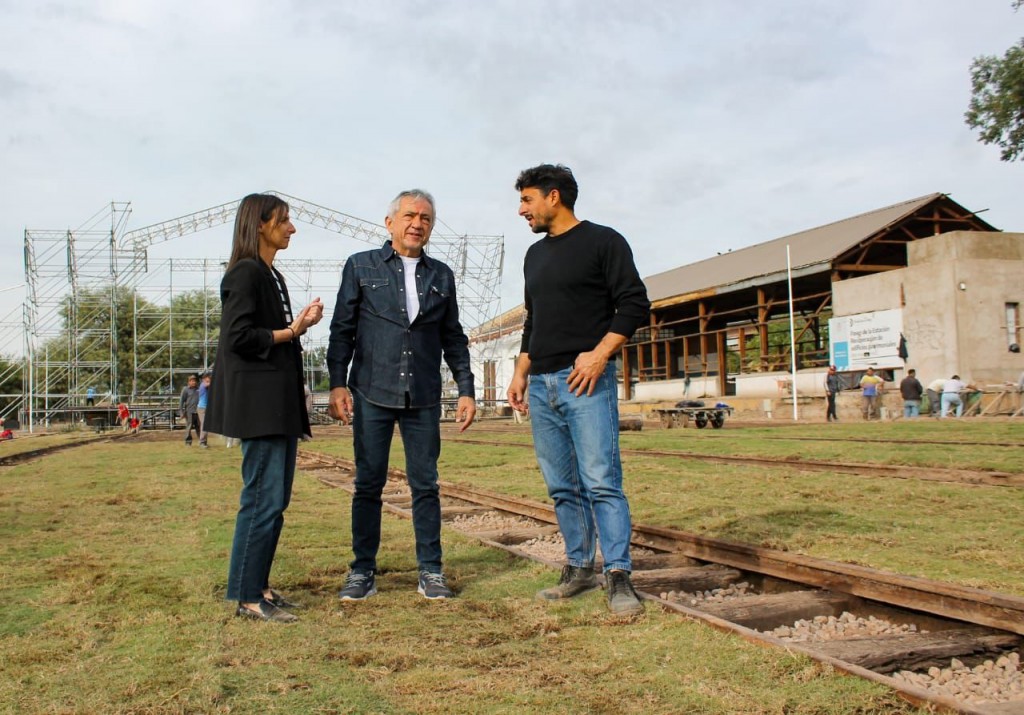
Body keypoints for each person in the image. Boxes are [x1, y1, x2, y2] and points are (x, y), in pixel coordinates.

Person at [506, 164, 650, 617]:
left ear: (553, 197)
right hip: (542, 383)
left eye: (527, 200)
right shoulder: (534, 256)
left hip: (584, 378)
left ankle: (619, 575)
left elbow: (634, 303)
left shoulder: (604, 241)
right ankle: (579, 567)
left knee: (602, 481)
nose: (521, 209)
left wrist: (600, 354)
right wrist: (520, 372)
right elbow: (535, 320)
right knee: (562, 486)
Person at [327, 189, 476, 602]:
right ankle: (362, 570)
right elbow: (342, 329)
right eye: (410, 215)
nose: (417, 223)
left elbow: (453, 336)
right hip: (372, 390)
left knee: (425, 484)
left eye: (426, 218)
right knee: (368, 483)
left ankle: (431, 569)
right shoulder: (361, 266)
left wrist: (466, 388)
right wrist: (336, 382)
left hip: (424, 395)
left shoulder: (441, 275)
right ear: (390, 222)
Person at [204, 193, 324, 623]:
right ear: (261, 224)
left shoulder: (271, 275)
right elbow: (238, 338)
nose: (291, 228)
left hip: (278, 405)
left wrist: (298, 327)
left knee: (275, 499)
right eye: (285, 220)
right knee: (261, 498)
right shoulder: (244, 273)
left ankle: (258, 587)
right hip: (259, 407)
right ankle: (249, 597)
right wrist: (291, 330)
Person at [178, 374, 201, 445]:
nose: (194, 382)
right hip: (189, 412)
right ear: (189, 382)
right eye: (192, 381)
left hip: (198, 411)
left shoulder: (199, 389)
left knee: (199, 427)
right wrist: (181, 413)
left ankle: (202, 441)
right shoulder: (185, 389)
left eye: (195, 381)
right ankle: (188, 442)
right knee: (189, 427)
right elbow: (181, 402)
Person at [196, 372, 211, 448]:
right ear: (204, 379)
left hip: (206, 408)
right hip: (201, 408)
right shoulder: (203, 385)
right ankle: (202, 442)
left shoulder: (207, 385)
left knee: (206, 425)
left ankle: (204, 442)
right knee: (204, 425)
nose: (209, 379)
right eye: (208, 378)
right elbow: (208, 385)